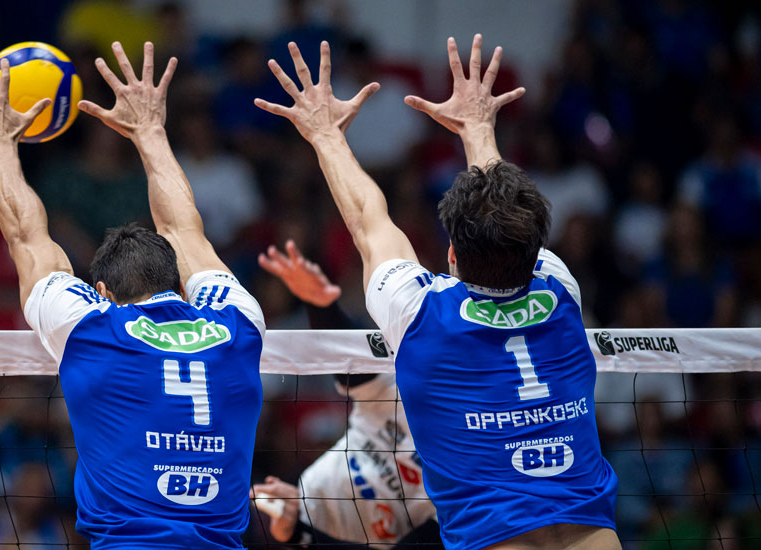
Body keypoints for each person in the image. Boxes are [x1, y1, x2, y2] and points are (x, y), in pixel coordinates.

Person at [255, 36, 619, 550]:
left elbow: (367, 220)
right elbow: (507, 214)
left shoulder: (422, 312)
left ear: (450, 254)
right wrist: (479, 127)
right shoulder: (561, 290)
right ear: (536, 246)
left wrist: (326, 135)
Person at [0, 42, 265, 548]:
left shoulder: (93, 330)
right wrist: (151, 130)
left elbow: (28, 239)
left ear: (103, 293)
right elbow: (186, 233)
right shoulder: (237, 324)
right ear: (180, 284)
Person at [251, 240, 440, 548]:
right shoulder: (406, 388)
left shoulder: (469, 465)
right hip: (311, 502)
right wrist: (321, 305)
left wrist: (299, 533)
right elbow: (357, 370)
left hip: (332, 534)